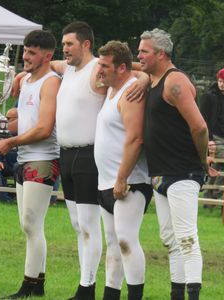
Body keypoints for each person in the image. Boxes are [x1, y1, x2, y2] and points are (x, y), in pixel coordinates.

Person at [50, 21, 147, 300]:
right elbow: (55, 63)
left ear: (86, 44)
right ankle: (104, 293)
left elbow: (140, 72)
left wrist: (144, 78)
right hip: (76, 159)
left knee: (113, 235)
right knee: (93, 232)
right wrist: (28, 70)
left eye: (70, 44)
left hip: (101, 166)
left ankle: (89, 288)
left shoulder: (106, 76)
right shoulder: (75, 70)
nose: (65, 49)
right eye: (63, 44)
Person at [138, 28, 218, 300]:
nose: (139, 56)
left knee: (186, 238)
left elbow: (199, 127)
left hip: (183, 171)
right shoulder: (153, 77)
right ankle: (176, 294)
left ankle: (193, 295)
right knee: (170, 240)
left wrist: (202, 162)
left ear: (161, 54)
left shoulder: (176, 82)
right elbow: (131, 64)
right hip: (160, 173)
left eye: (144, 51)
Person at [0, 30, 61, 299]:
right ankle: (38, 284)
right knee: (29, 225)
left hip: (42, 159)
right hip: (24, 158)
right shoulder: (27, 80)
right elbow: (26, 121)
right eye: (25, 50)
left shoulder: (51, 82)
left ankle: (28, 285)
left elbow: (44, 128)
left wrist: (11, 142)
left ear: (47, 55)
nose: (26, 56)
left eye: (32, 52)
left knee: (31, 225)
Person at [94, 41, 153, 300]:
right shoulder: (112, 89)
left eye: (105, 66)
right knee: (113, 245)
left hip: (130, 181)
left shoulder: (130, 92)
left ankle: (135, 296)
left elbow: (135, 138)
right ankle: (111, 295)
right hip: (106, 181)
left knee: (127, 240)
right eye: (99, 64)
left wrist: (121, 178)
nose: (99, 70)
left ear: (121, 68)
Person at [199, 67, 224, 200]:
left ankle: (209, 193)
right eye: (220, 81)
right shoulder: (209, 96)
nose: (221, 84)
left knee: (217, 164)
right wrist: (209, 139)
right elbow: (202, 119)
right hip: (213, 136)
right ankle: (216, 195)